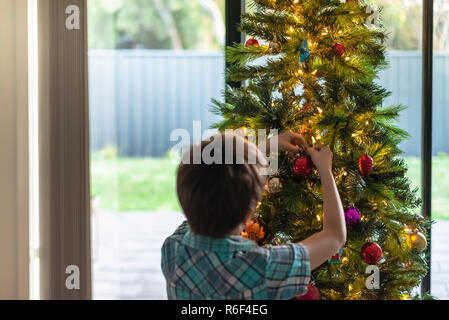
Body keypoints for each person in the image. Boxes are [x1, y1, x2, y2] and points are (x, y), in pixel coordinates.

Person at [161, 131, 346, 300]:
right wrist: (325, 170)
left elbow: (212, 189)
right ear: (247, 216)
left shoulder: (172, 250)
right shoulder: (261, 267)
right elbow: (334, 235)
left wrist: (265, 147)